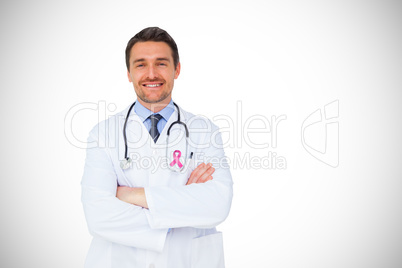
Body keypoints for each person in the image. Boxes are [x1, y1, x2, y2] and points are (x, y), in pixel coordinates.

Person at [81, 27, 233, 268]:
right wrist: (183, 205)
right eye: (140, 65)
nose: (151, 74)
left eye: (161, 63)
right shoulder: (102, 134)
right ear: (129, 73)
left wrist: (130, 195)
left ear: (177, 69)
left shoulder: (205, 131)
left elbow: (217, 205)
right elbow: (99, 216)